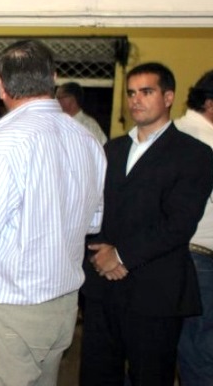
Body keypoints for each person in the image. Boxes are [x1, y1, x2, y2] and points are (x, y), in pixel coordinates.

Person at [0, 39, 107, 386]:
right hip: (64, 306)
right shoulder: (87, 139)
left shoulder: (3, 144)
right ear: (54, 78)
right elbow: (93, 222)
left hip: (15, 311)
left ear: (1, 87)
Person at [80, 62, 213, 386]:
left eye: (146, 92)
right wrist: (100, 254)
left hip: (156, 290)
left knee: (150, 376)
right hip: (103, 286)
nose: (136, 100)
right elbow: (92, 208)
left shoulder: (194, 154)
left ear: (168, 97)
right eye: (131, 93)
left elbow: (179, 223)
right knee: (97, 375)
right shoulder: (112, 149)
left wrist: (120, 255)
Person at [174, 70, 213, 385]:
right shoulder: (208, 143)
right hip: (199, 258)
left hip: (163, 256)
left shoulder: (167, 132)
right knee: (199, 348)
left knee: (157, 346)